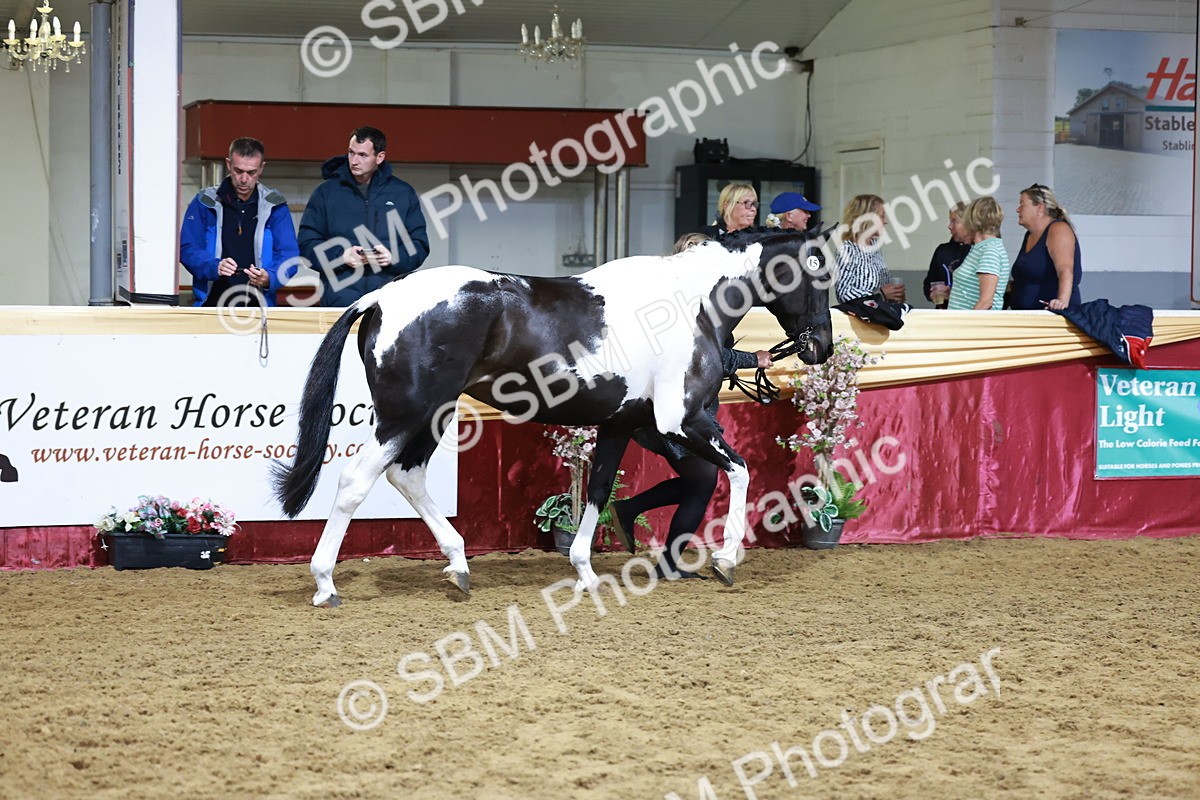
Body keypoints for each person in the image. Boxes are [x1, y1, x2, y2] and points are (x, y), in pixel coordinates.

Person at [610, 232, 772, 580]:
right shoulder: (685, 306)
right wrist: (752, 358)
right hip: (677, 411)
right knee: (703, 481)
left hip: (671, 410)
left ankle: (633, 514)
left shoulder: (687, 303)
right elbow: (704, 358)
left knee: (700, 481)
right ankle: (660, 551)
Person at [298, 126, 430, 307]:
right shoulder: (326, 193)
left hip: (387, 303)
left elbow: (419, 244)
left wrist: (393, 257)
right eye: (351, 153)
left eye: (362, 155)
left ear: (380, 157)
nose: (354, 160)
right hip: (339, 303)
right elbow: (306, 244)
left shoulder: (403, 193)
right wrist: (341, 257)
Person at [179, 137, 299, 307]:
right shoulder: (204, 201)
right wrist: (214, 267)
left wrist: (269, 277)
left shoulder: (275, 205)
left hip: (259, 308)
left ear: (261, 168)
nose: (244, 179)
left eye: (251, 173)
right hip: (211, 305)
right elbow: (188, 248)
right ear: (228, 164)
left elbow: (289, 255)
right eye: (238, 170)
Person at [1010, 183, 1083, 311]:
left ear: (1040, 208)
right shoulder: (1030, 235)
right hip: (1026, 316)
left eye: (1022, 204)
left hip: (1051, 317)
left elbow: (1065, 270)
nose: (1018, 209)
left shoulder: (1058, 229)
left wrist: (1061, 302)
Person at [834, 194, 906, 304]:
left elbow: (884, 286)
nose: (885, 221)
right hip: (860, 318)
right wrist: (880, 294)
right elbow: (844, 293)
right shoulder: (847, 249)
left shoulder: (875, 247)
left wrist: (895, 294)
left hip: (879, 316)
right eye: (882, 216)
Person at [947, 197, 1010, 310]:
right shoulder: (979, 248)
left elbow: (985, 302)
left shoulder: (990, 251)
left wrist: (967, 326)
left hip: (971, 325)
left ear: (972, 221)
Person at [923, 201, 971, 308]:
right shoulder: (942, 250)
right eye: (950, 221)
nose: (949, 226)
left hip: (968, 313)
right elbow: (928, 284)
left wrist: (951, 292)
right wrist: (933, 293)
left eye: (954, 221)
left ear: (968, 223)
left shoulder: (979, 251)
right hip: (943, 312)